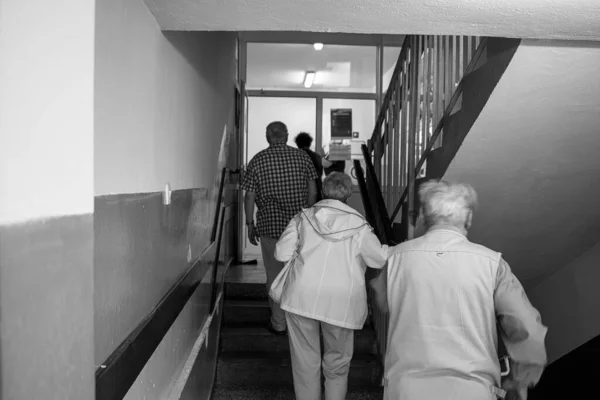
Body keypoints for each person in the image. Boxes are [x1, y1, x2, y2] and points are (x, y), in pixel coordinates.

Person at [383, 180, 547, 400]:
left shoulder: (392, 259)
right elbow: (526, 327)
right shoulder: (493, 264)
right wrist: (521, 378)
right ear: (468, 218)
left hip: (405, 390)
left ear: (423, 216)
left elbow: (381, 304)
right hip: (473, 391)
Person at [274, 172, 388, 400]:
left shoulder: (303, 218)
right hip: (340, 302)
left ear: (323, 191)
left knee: (305, 361)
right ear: (349, 193)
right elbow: (378, 259)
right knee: (337, 363)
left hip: (301, 297)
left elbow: (281, 253)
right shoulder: (359, 226)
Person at [241, 121, 319, 335]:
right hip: (300, 227)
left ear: (268, 137)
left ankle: (278, 322)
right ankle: (301, 322)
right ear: (286, 136)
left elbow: (249, 195)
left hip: (270, 227)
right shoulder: (302, 157)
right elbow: (313, 191)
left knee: (275, 275)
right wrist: (307, 214)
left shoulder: (257, 160)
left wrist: (250, 224)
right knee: (300, 273)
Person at [294, 132, 332, 201]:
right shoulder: (316, 156)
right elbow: (324, 168)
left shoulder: (294, 157)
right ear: (310, 143)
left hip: (299, 193)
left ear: (297, 143)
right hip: (317, 191)